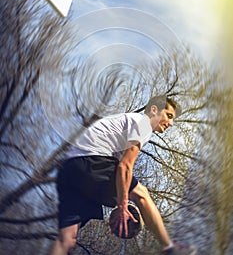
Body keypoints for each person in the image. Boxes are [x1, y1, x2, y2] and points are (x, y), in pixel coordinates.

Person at [50, 95, 197, 255]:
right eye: (169, 116)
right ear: (154, 110)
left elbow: (116, 175)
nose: (171, 123)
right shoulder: (143, 123)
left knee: (66, 240)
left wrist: (120, 202)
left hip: (69, 171)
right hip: (90, 161)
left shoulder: (123, 126)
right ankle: (169, 248)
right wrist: (122, 206)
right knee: (142, 195)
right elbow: (124, 166)